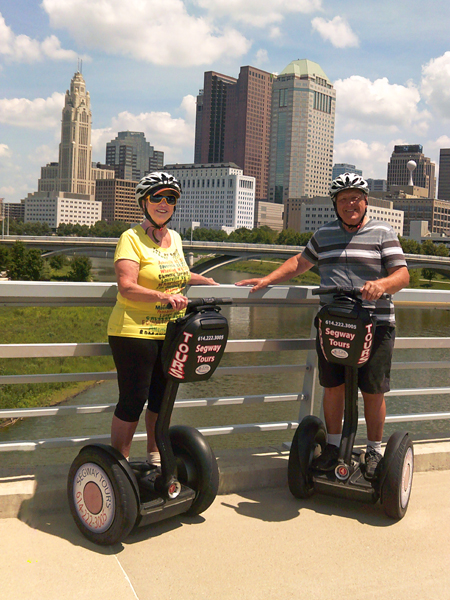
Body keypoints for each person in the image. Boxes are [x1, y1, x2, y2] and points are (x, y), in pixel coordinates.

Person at [236, 173, 409, 479]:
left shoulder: (383, 232)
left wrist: (381, 285)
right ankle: (331, 447)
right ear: (335, 204)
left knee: (372, 390)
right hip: (334, 325)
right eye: (343, 199)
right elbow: (299, 263)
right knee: (333, 387)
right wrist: (267, 279)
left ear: (365, 201)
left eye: (355, 198)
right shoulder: (324, 234)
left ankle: (373, 450)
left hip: (376, 325)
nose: (349, 204)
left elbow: (402, 275)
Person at [107, 171, 218, 468]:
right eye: (157, 197)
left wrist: (201, 279)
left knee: (162, 398)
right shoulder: (130, 239)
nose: (164, 203)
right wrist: (163, 298)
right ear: (144, 202)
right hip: (134, 331)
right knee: (133, 400)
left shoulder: (175, 238)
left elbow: (172, 273)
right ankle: (119, 465)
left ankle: (156, 459)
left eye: (170, 199)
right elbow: (127, 285)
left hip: (171, 331)